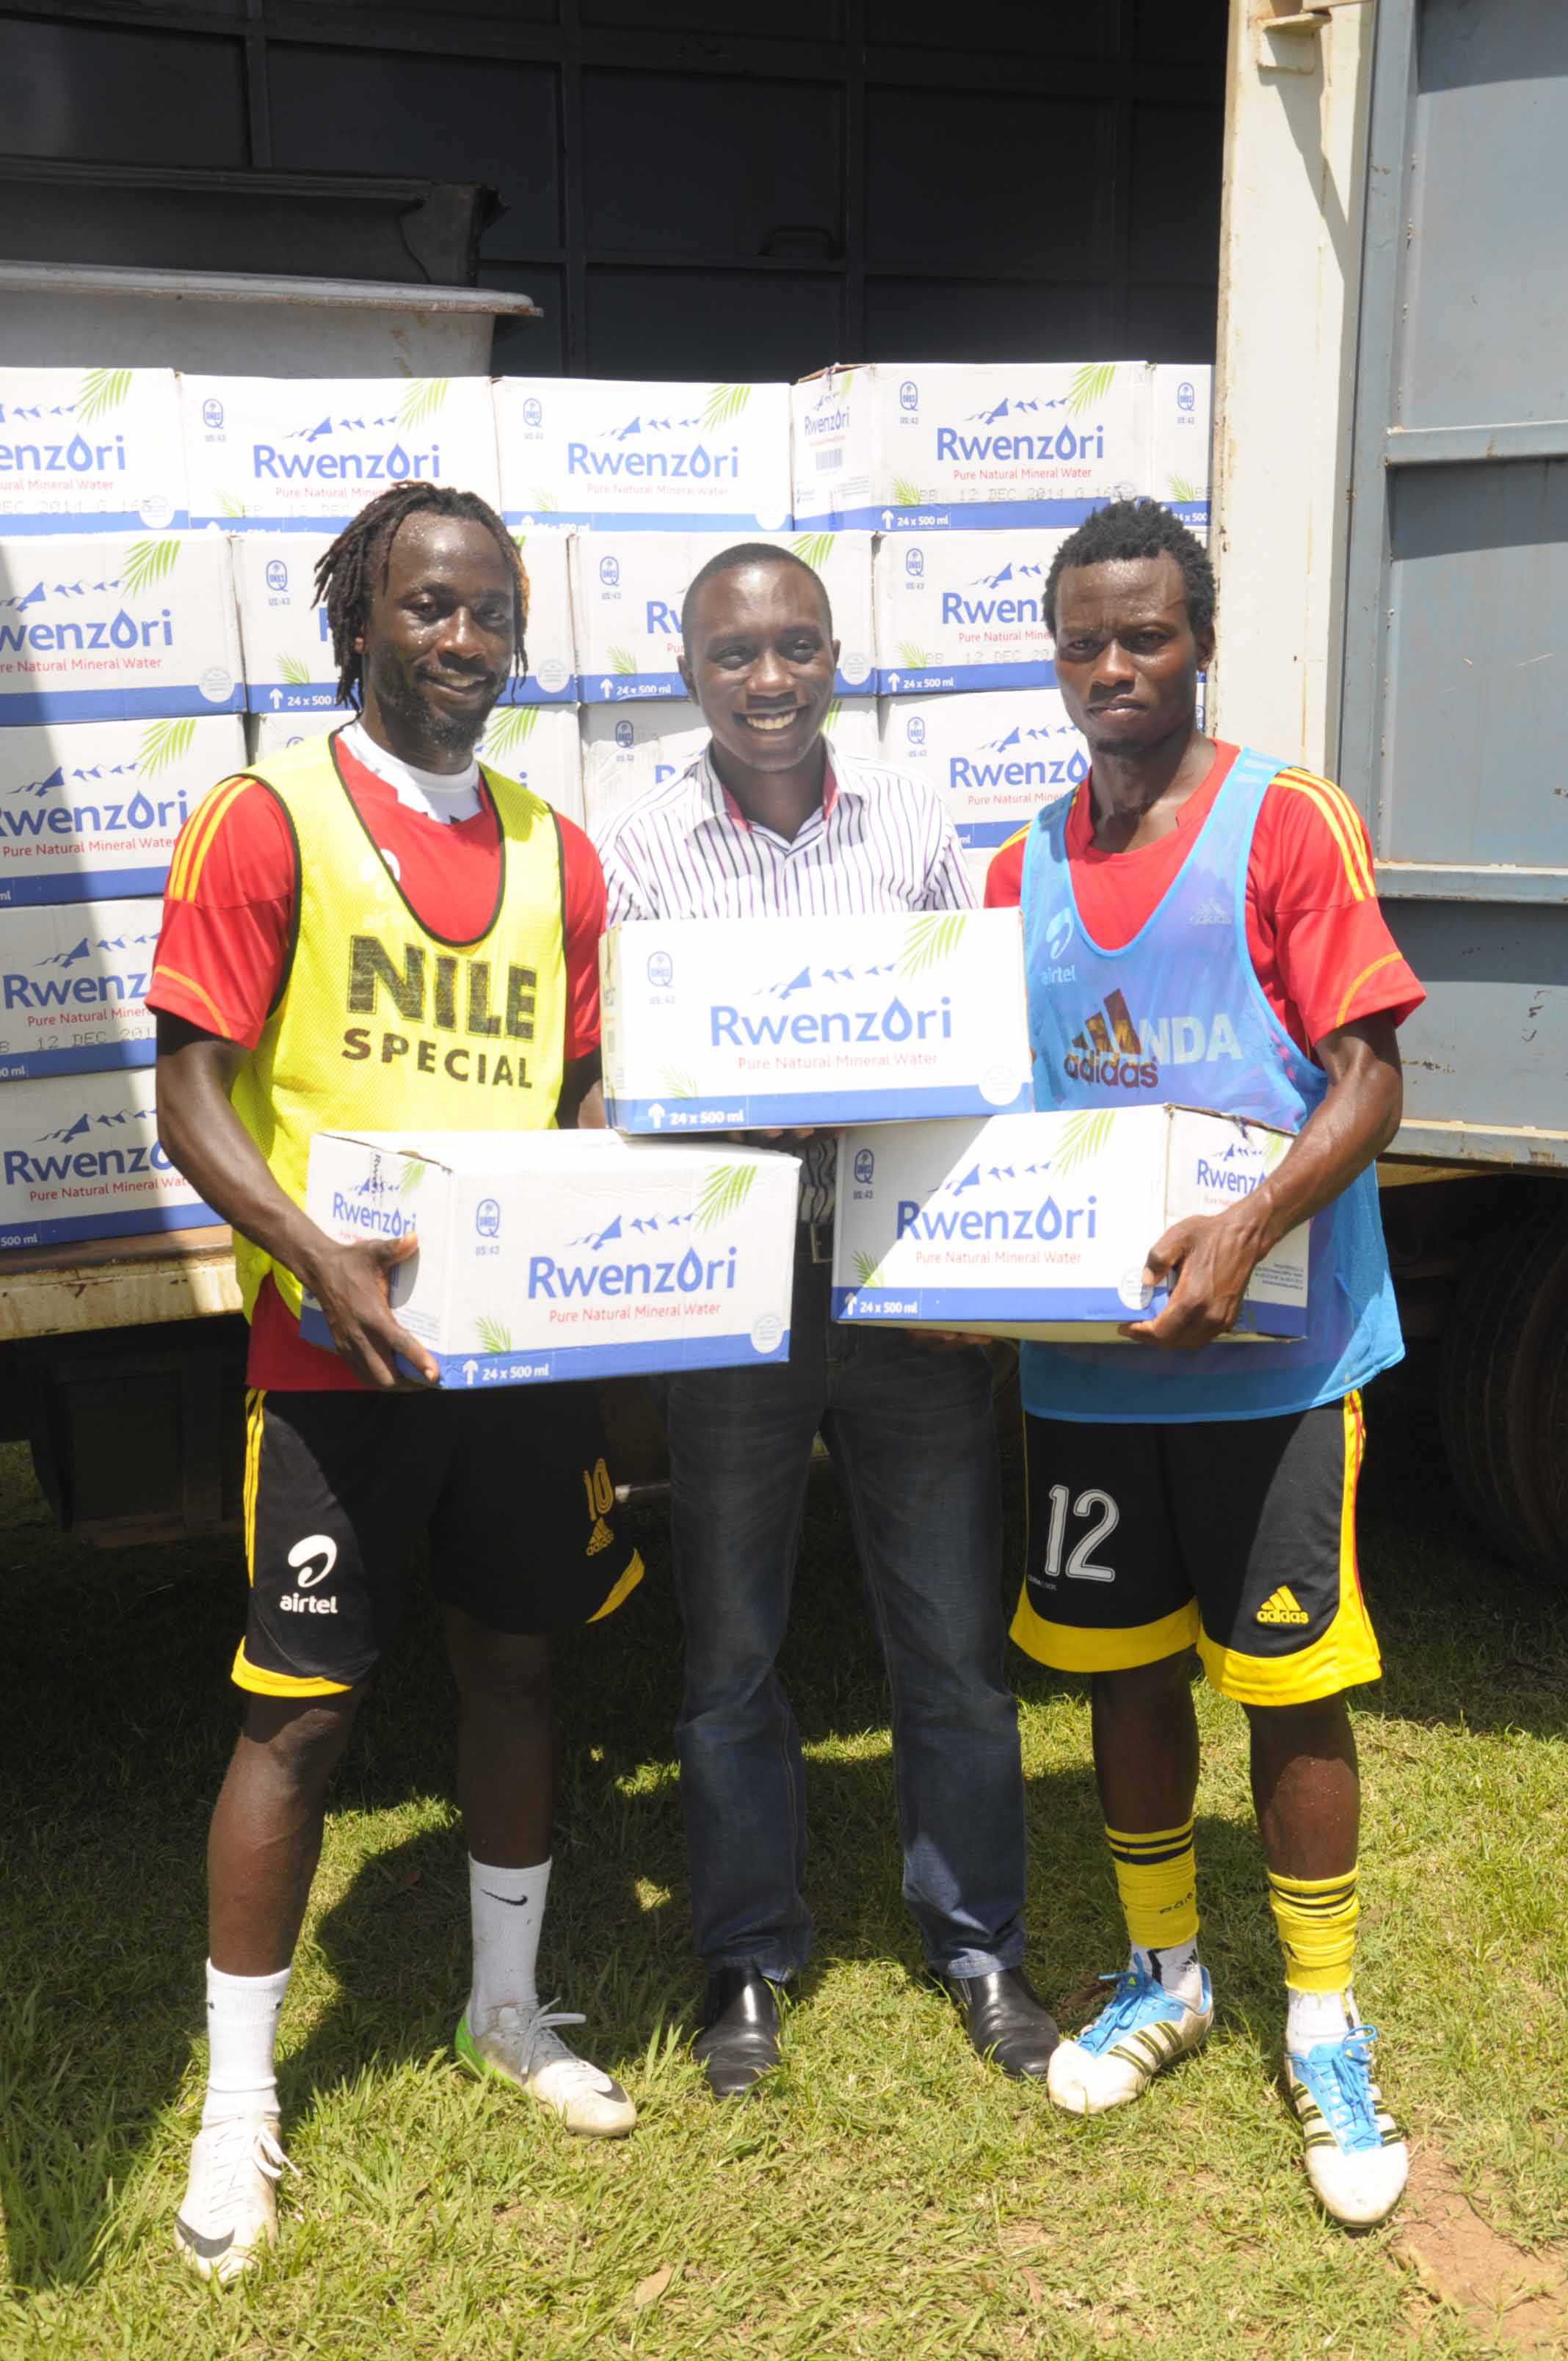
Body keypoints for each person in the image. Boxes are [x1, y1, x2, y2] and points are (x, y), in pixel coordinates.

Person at [148, 482, 644, 2283]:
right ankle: (237, 2106)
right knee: (298, 1720)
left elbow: (580, 1090)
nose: (463, 639)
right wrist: (318, 1255)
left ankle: (506, 2006)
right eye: (428, 605)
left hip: (514, 1360)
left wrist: (632, 1201)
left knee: (520, 1664)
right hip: (331, 1357)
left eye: (491, 611)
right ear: (357, 618)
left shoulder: (559, 853)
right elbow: (191, 1093)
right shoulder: (267, 816)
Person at [987, 498, 1423, 2227]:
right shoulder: (1019, 869)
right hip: (1091, 1370)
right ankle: (1164, 1972)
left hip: (1276, 1363)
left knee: (1290, 1682)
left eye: (1147, 635)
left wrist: (1244, 1230)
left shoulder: (1282, 822)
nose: (1115, 667)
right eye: (1086, 641)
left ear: (1201, 643)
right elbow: (985, 1115)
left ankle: (1323, 2020)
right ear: (1056, 657)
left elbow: (1371, 1075)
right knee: (1123, 1672)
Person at [594, 543, 1057, 2100]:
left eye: (797, 646)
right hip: (739, 1296)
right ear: (689, 673)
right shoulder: (640, 848)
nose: (770, 679)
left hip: (904, 1281)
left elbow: (982, 1060)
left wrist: (981, 1273)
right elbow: (615, 1081)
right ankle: (744, 1957)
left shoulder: (915, 823)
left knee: (953, 1643)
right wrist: (711, 1110)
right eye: (736, 654)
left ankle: (980, 1944)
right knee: (730, 1652)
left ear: (838, 658)